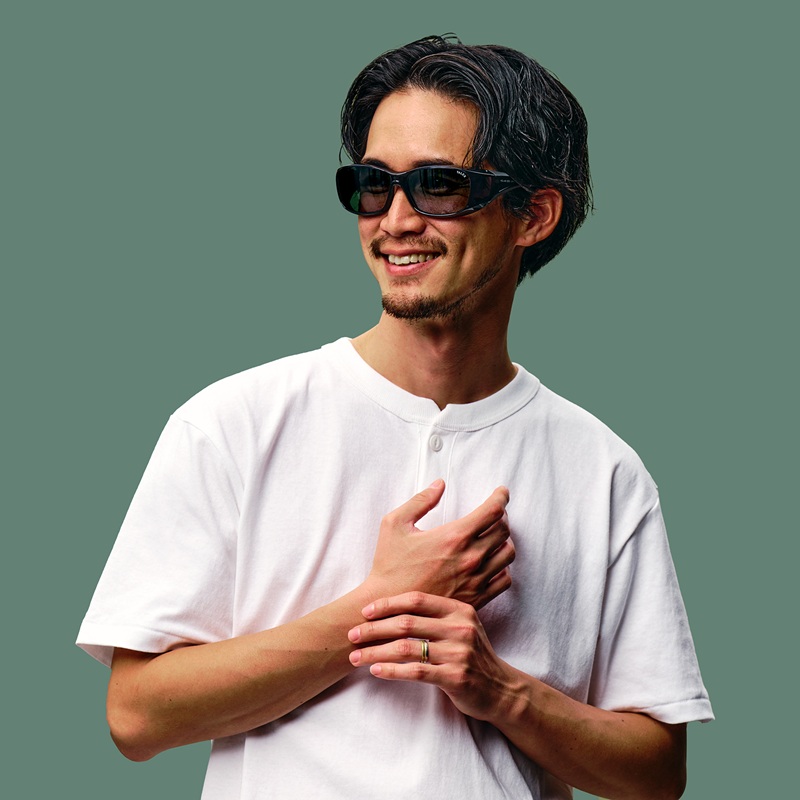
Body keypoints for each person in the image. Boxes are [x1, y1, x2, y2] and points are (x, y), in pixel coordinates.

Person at [78, 35, 712, 800]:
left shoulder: (604, 470)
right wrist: (377, 606)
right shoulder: (231, 424)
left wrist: (499, 689)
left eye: (439, 185)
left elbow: (656, 773)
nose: (396, 219)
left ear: (533, 215)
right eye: (373, 185)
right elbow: (136, 716)